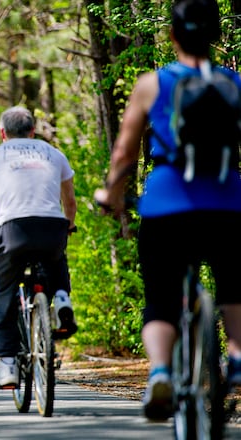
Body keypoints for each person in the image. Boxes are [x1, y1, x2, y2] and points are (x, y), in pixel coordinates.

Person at [94, 0, 241, 421]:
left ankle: (160, 372)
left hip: (167, 202)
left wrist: (111, 194)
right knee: (234, 283)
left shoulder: (152, 85)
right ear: (214, 34)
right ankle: (237, 354)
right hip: (228, 200)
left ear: (172, 36)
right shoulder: (235, 83)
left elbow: (124, 153)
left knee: (161, 295)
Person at [0, 106, 78, 389]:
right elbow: (70, 203)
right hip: (51, 227)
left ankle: (8, 366)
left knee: (5, 292)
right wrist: (69, 225)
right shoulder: (54, 153)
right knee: (56, 261)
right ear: (32, 130)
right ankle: (62, 299)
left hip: (13, 231)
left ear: (3, 132)